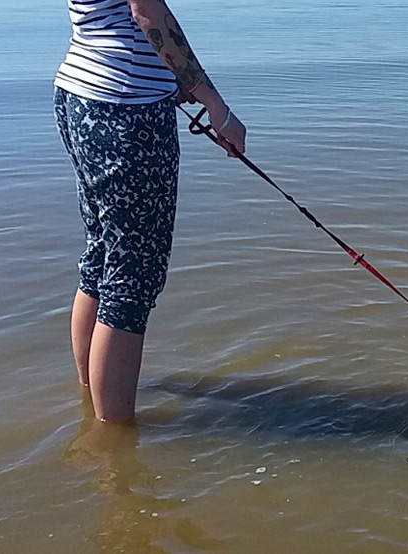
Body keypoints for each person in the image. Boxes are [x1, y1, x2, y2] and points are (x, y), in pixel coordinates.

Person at [54, 0, 246, 422]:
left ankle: (92, 410)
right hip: (126, 111)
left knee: (103, 257)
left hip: (80, 95)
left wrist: (169, 76)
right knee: (132, 278)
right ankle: (115, 448)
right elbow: (147, 11)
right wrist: (215, 104)